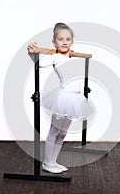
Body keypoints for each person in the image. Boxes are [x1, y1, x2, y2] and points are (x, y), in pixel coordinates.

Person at [27, 23, 94, 174]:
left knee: (63, 133)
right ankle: (47, 162)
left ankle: (53, 161)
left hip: (76, 99)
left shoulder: (73, 55)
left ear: (72, 42)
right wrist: (32, 52)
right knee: (55, 130)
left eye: (68, 39)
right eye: (60, 39)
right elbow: (39, 64)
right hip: (64, 98)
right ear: (54, 42)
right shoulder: (55, 57)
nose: (64, 42)